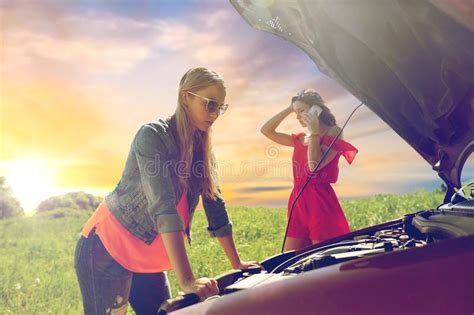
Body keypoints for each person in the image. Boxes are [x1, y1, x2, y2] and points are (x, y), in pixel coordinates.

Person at [74, 67, 259, 315]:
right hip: (107, 249)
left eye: (220, 107)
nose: (215, 114)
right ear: (186, 97)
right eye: (210, 104)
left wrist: (236, 264)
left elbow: (215, 204)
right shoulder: (151, 136)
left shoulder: (203, 149)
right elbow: (164, 207)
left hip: (148, 257)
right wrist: (187, 281)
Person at [261, 89, 358, 252]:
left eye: (302, 111)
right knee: (290, 257)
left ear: (316, 109)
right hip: (298, 200)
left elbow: (315, 164)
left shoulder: (334, 131)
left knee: (324, 257)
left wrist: (314, 132)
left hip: (319, 200)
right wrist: (290, 108)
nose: (298, 116)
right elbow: (266, 130)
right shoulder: (300, 138)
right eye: (296, 113)